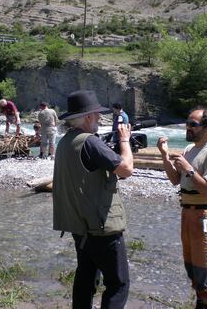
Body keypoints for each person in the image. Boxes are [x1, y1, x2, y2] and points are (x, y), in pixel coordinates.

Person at [52, 90, 134, 309]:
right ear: (88, 117)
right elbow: (126, 169)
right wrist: (125, 141)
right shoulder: (90, 142)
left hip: (80, 227)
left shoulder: (65, 142)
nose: (100, 118)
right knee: (118, 284)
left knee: (85, 278)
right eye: (97, 114)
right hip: (101, 228)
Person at [157, 107, 207, 309]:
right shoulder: (190, 150)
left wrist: (188, 169)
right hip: (188, 213)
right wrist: (164, 156)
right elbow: (174, 180)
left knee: (204, 265)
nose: (187, 128)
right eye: (187, 123)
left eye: (193, 124)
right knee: (192, 266)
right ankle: (201, 301)